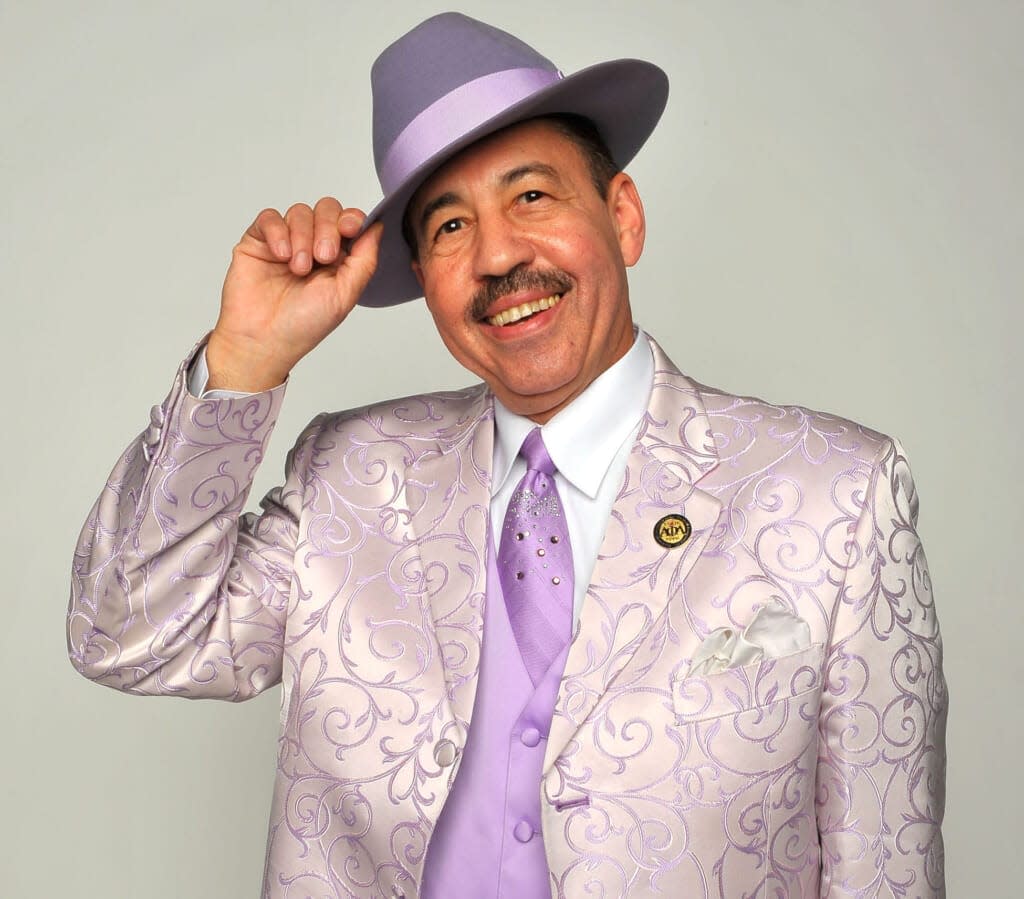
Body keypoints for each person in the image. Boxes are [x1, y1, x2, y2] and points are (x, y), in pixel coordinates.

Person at [67, 12, 946, 899]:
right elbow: (127, 633)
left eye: (532, 196)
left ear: (623, 217)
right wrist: (246, 358)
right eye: (449, 227)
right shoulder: (349, 477)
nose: (496, 255)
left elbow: (888, 873)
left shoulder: (838, 496)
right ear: (424, 281)